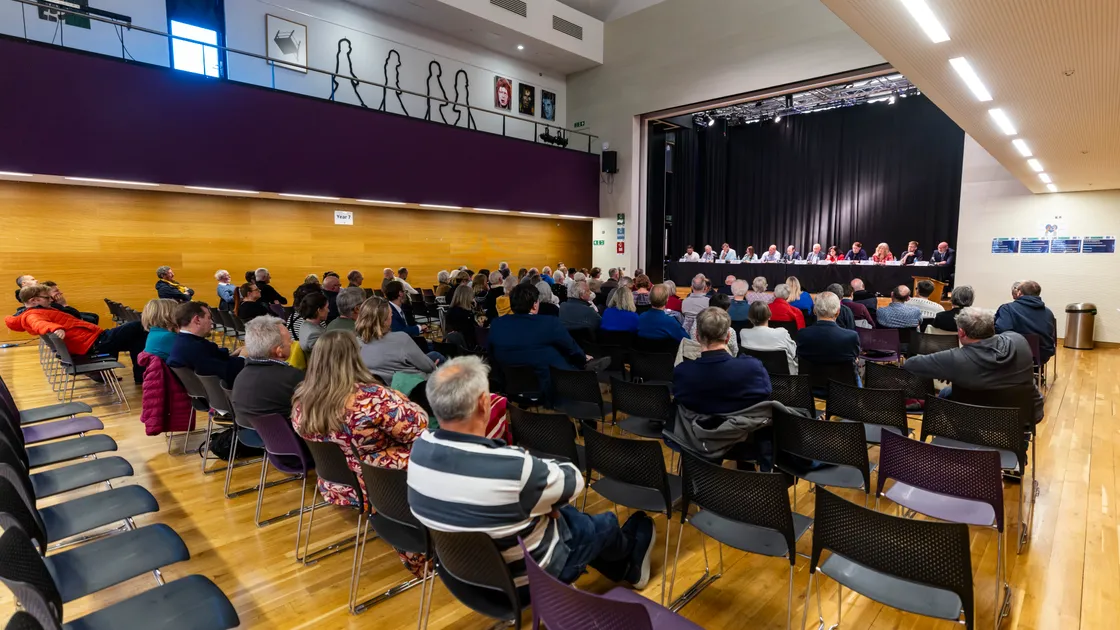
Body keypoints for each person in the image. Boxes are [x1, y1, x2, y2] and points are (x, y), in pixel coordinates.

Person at [407, 356, 655, 589]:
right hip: (530, 577)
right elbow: (574, 480)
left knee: (561, 510)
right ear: (485, 404)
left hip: (465, 578)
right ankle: (627, 565)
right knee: (606, 524)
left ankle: (624, 563)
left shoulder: (418, 452)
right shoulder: (510, 468)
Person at [293, 330, 429, 579]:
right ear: (355, 358)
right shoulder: (371, 398)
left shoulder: (302, 400)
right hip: (385, 487)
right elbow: (419, 425)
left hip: (339, 483)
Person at [904, 307, 1043, 421]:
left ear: (961, 332)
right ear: (992, 327)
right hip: (1024, 418)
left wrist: (947, 370)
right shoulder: (1019, 340)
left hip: (975, 421)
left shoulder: (955, 359)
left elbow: (910, 364)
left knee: (947, 392)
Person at [7, 285, 149, 382]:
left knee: (136, 339)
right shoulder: (32, 314)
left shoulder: (40, 310)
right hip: (93, 344)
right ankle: (143, 374)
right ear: (33, 300)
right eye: (47, 297)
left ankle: (142, 376)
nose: (51, 300)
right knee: (137, 325)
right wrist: (54, 328)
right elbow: (38, 323)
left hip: (92, 341)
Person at [487, 284, 594, 394]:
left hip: (510, 385)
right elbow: (571, 349)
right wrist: (583, 358)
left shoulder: (497, 324)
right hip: (549, 385)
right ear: (534, 305)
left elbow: (491, 353)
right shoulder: (549, 323)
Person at [675, 306, 770, 410]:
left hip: (697, 425)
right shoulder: (753, 368)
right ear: (728, 337)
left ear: (697, 337)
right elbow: (765, 396)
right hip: (740, 425)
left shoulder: (682, 372)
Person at [230, 315, 305, 420]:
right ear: (279, 351)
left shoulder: (241, 377)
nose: (292, 342)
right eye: (289, 339)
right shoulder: (293, 378)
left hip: (249, 434)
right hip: (289, 434)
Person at [356, 297, 439, 385]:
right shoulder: (401, 339)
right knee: (438, 359)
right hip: (414, 388)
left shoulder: (356, 344)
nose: (392, 316)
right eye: (390, 314)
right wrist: (432, 366)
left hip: (383, 389)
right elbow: (428, 367)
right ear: (384, 321)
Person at [168, 301, 244, 384]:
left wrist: (233, 353)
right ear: (197, 320)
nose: (211, 322)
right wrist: (243, 357)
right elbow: (228, 373)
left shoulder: (182, 340)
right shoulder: (195, 347)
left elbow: (211, 356)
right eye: (208, 318)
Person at [795, 292, 860, 377]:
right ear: (838, 312)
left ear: (814, 311)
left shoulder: (802, 335)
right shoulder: (851, 337)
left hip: (811, 386)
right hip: (843, 387)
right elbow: (854, 360)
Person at [995, 280, 1055, 363]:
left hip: (1015, 355)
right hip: (1042, 356)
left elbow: (1001, 330)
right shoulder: (1048, 312)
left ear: (1019, 293)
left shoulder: (1007, 309)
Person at [740, 301, 797, 374]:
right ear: (769, 316)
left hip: (754, 376)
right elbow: (793, 353)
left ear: (750, 318)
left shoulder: (744, 333)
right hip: (782, 378)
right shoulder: (782, 333)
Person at [681, 294, 739, 359]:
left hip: (697, 357)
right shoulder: (729, 331)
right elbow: (734, 352)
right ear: (727, 309)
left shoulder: (697, 323)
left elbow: (694, 340)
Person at [444, 284, 480, 349]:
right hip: (467, 347)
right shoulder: (466, 314)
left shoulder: (450, 311)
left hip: (452, 346)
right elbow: (473, 333)